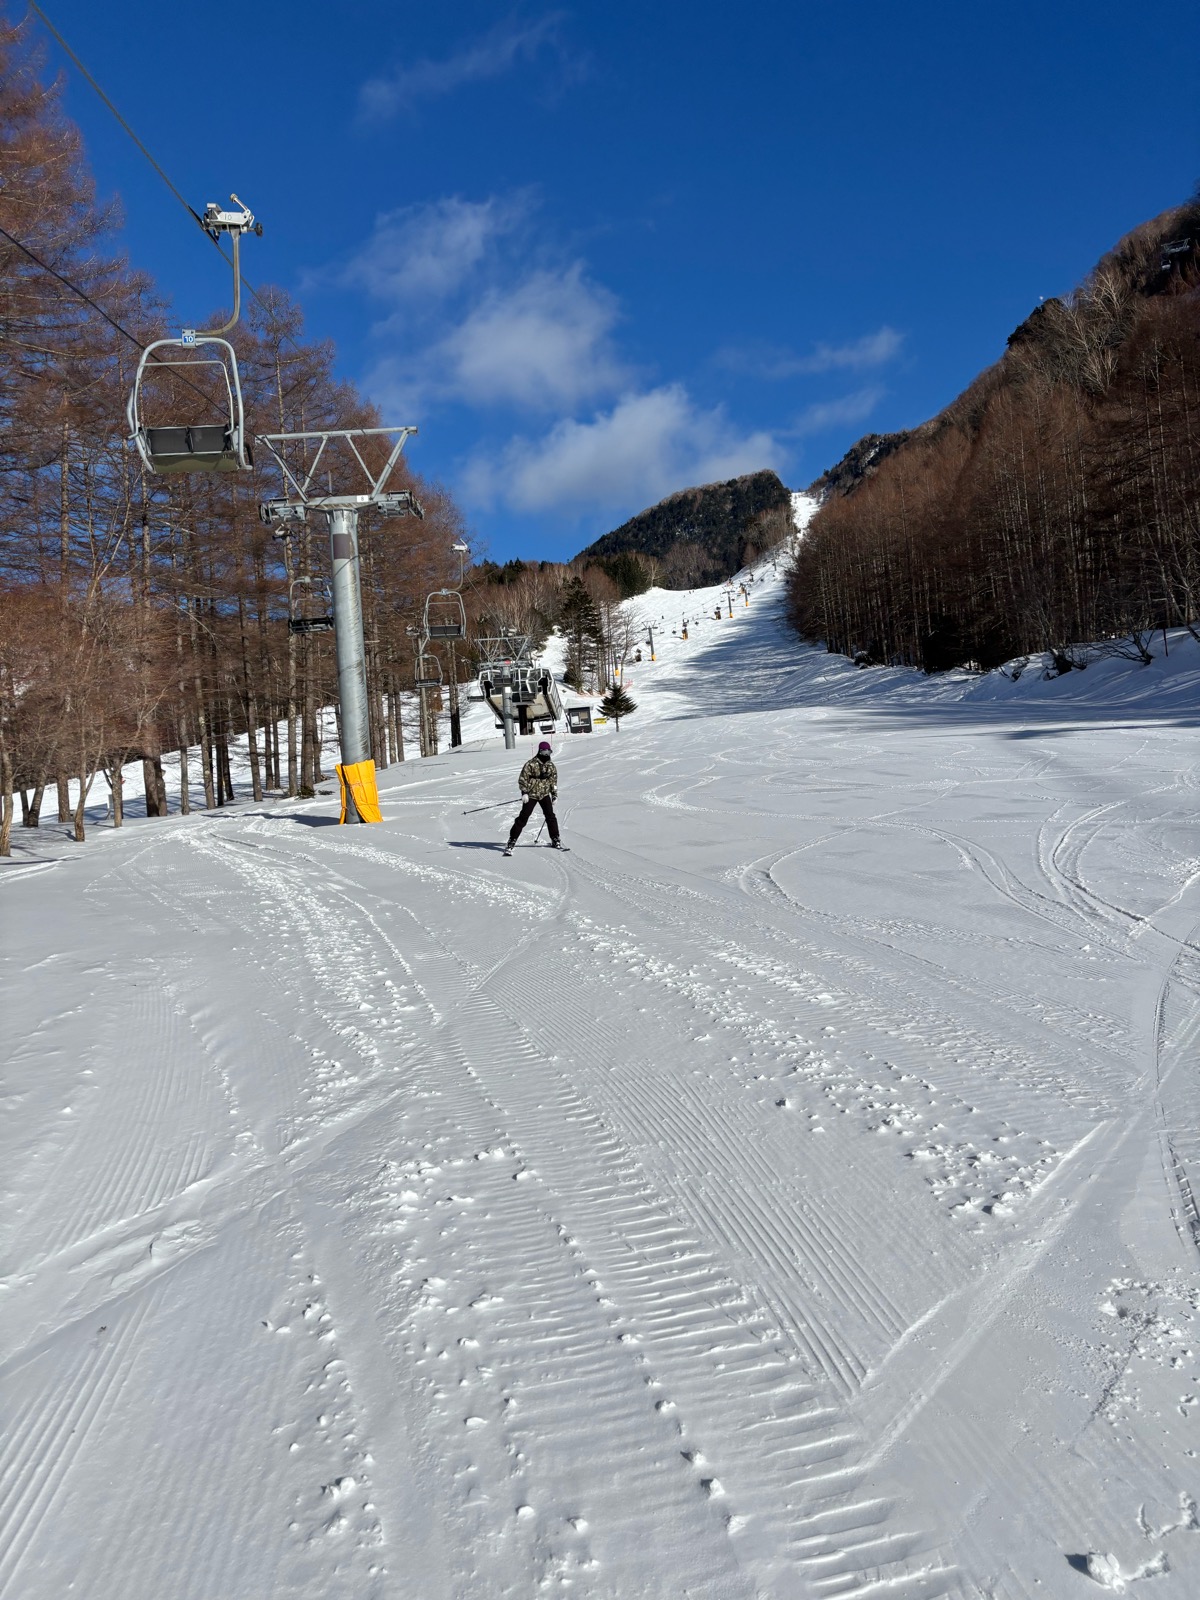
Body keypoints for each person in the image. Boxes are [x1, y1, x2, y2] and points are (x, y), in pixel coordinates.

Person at [503, 741, 562, 854]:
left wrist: (554, 795)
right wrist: (524, 793)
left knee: (550, 817)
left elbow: (553, 781)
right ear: (540, 751)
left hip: (544, 795)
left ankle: (555, 838)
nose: (546, 754)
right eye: (544, 751)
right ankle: (512, 840)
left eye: (548, 751)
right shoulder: (530, 764)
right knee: (523, 817)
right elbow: (523, 779)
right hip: (531, 795)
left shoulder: (551, 766)